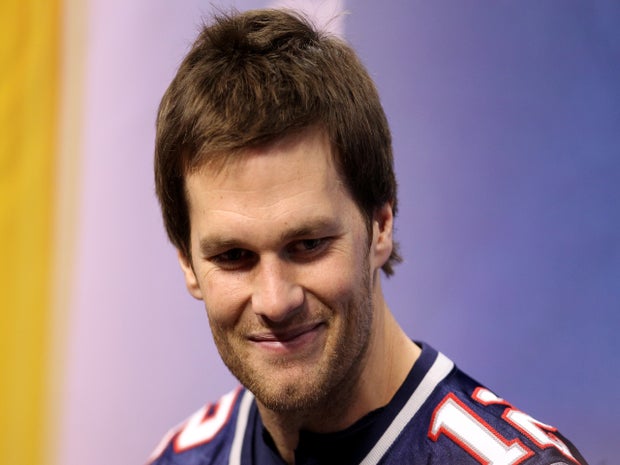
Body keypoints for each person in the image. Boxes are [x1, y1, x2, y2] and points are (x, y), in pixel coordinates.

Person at [148, 8, 588, 465]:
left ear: (381, 225)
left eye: (309, 245)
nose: (275, 302)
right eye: (234, 256)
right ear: (187, 263)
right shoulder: (182, 458)